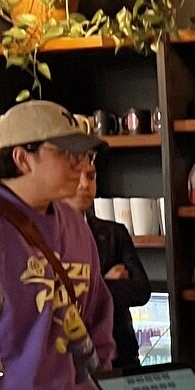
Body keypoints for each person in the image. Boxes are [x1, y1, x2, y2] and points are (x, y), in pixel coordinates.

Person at [0, 101, 115, 390]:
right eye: (67, 152)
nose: (81, 164)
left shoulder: (74, 222)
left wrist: (102, 388)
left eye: (85, 154)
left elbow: (98, 314)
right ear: (22, 158)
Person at [65, 158, 152, 373]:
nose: (84, 185)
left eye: (91, 176)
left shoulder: (114, 233)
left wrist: (86, 287)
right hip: (68, 365)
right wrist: (103, 282)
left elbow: (141, 291)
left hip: (121, 358)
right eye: (77, 176)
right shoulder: (45, 237)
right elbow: (58, 299)